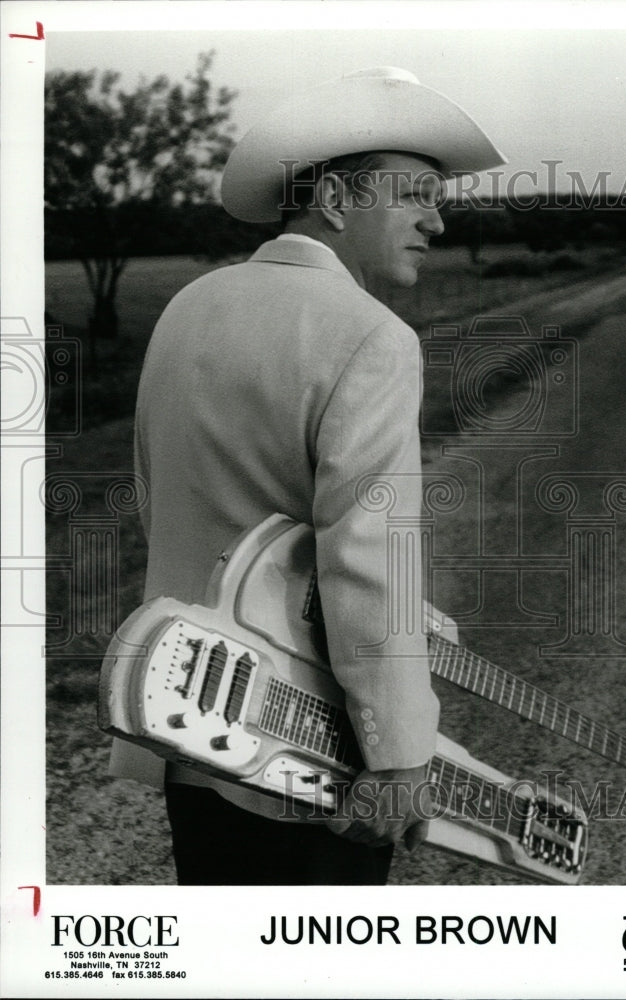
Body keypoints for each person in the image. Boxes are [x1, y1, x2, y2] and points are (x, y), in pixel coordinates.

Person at [109, 66, 505, 884]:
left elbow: (165, 503)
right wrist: (396, 758)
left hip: (188, 728)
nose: (436, 220)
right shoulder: (371, 336)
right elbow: (369, 566)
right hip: (308, 753)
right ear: (335, 202)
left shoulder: (188, 306)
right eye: (415, 196)